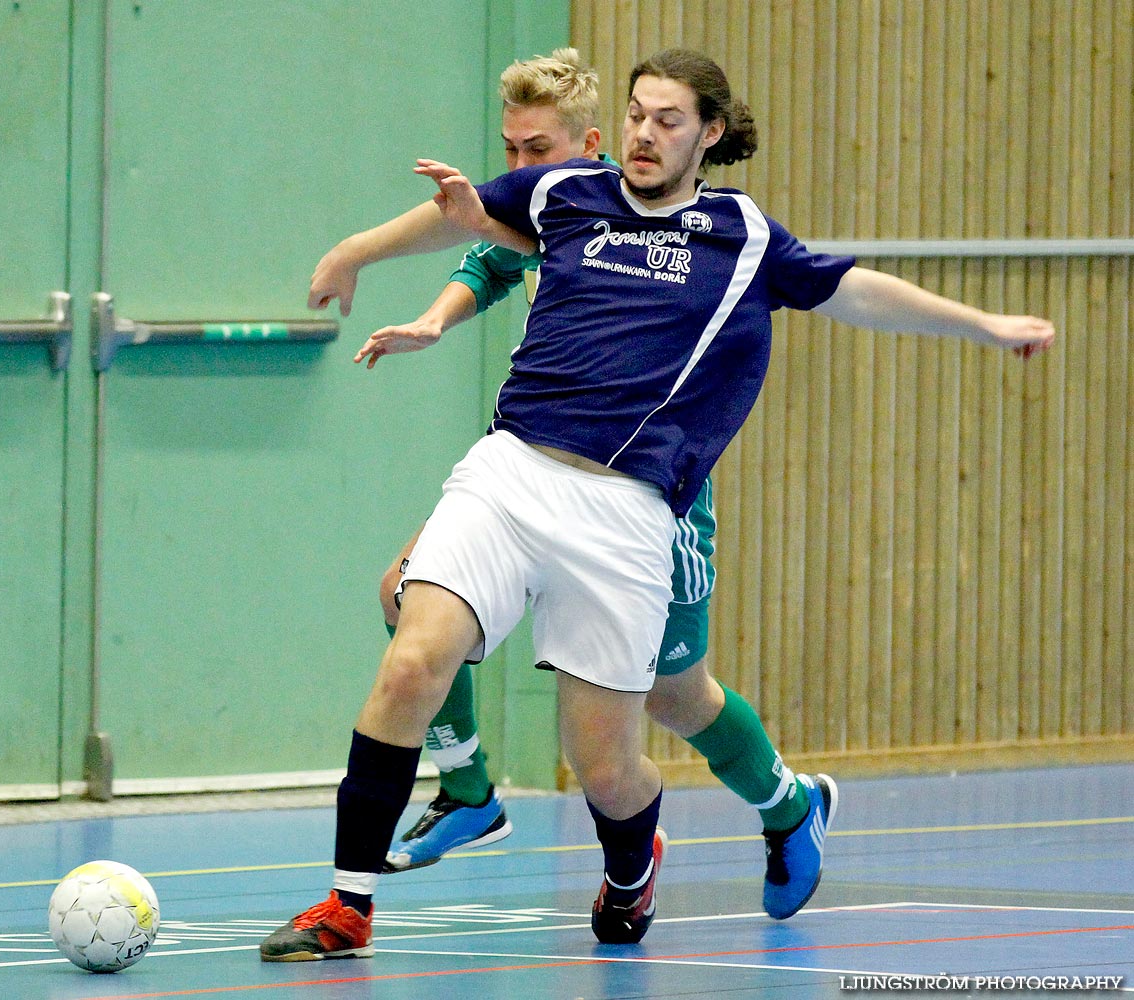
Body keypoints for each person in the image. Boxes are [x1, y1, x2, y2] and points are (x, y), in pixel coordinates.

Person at [260, 48, 1054, 962]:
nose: (645, 132)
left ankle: (642, 866)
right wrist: (356, 251)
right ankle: (349, 904)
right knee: (411, 656)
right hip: (511, 472)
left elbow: (854, 291)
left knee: (610, 762)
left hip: (629, 510)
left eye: (668, 119)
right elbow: (466, 225)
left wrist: (985, 325)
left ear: (709, 133)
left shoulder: (741, 236)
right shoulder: (567, 194)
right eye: (638, 113)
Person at [372, 48, 831, 930]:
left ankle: (786, 805)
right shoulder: (560, 208)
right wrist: (433, 316)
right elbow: (491, 261)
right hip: (539, 469)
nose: (515, 174)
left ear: (588, 145)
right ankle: (468, 787)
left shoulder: (681, 222)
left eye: (532, 151)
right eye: (506, 152)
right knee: (404, 590)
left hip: (652, 498)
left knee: (675, 694)